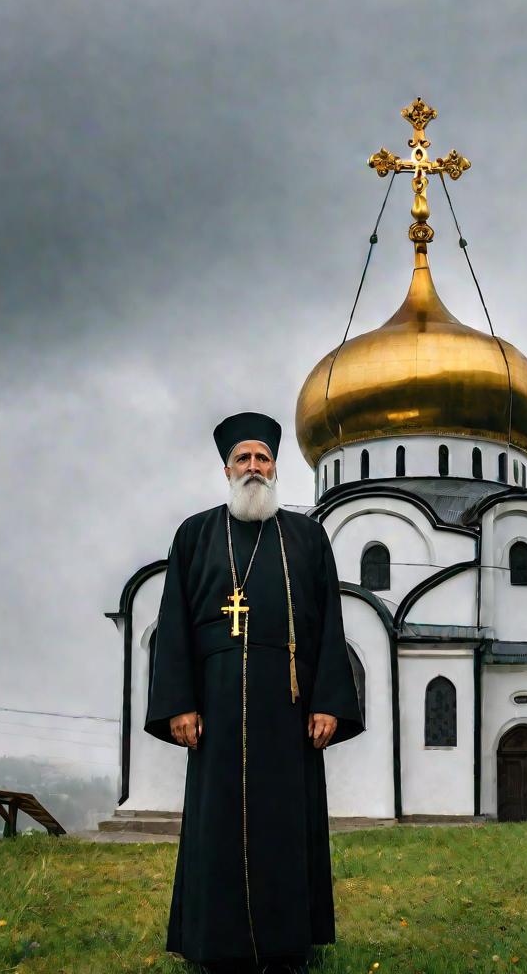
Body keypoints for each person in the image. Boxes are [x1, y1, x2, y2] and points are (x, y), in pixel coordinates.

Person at [145, 411, 364, 973]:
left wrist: (326, 702)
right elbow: (173, 624)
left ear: (275, 467)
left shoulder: (307, 537)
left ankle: (288, 945)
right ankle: (216, 945)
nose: (252, 468)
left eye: (262, 459)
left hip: (287, 708)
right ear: (226, 469)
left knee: (286, 824)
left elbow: (329, 623)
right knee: (216, 824)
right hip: (214, 707)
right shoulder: (194, 534)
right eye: (242, 459)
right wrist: (179, 703)